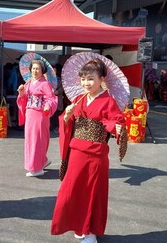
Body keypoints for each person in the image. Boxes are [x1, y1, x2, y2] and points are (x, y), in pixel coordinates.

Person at [51, 58, 125, 243]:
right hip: (76, 151)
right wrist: (67, 116)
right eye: (83, 79)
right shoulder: (78, 99)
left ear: (101, 79)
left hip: (95, 154)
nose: (86, 83)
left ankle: (90, 230)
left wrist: (116, 127)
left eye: (91, 79)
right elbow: (66, 123)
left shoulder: (109, 101)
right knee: (72, 191)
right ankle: (78, 225)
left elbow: (118, 122)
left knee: (92, 193)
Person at [17, 59, 57, 177]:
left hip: (40, 114)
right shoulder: (28, 83)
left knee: (38, 140)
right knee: (30, 139)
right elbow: (23, 98)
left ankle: (37, 168)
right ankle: (42, 161)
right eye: (33, 68)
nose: (35, 71)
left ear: (42, 70)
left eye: (38, 69)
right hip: (30, 113)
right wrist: (21, 93)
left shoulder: (45, 84)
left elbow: (51, 98)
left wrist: (47, 106)